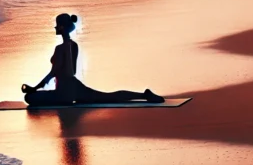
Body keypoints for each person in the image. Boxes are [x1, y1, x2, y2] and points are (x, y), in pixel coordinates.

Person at [22, 13, 164, 106]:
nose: (55, 27)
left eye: (57, 24)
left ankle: (145, 95)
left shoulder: (62, 48)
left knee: (29, 98)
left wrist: (34, 88)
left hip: (64, 94)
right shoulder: (73, 45)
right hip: (75, 88)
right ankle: (144, 95)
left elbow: (56, 73)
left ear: (62, 27)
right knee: (108, 97)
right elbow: (71, 72)